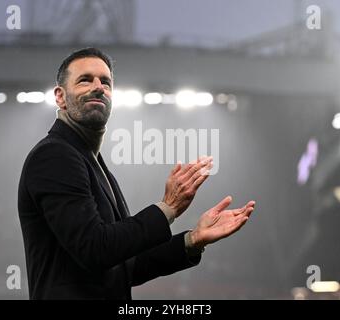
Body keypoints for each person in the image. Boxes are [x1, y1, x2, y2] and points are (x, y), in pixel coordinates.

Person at [17, 47, 256, 300]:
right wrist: (168, 208)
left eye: (106, 82)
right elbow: (95, 250)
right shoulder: (55, 155)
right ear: (60, 97)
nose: (98, 87)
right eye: (85, 80)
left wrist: (193, 240)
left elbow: (125, 265)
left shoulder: (96, 166)